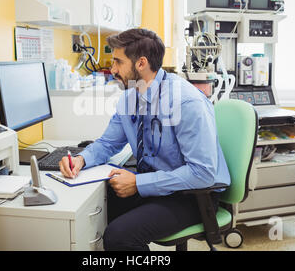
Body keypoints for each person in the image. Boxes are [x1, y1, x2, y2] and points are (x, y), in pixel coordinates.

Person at [59, 28, 230, 251]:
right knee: (96, 206)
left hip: (192, 194)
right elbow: (108, 143)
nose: (112, 70)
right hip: (158, 183)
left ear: (141, 63)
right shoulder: (131, 96)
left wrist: (138, 184)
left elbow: (202, 174)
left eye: (118, 62)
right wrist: (81, 159)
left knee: (119, 237)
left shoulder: (187, 103)